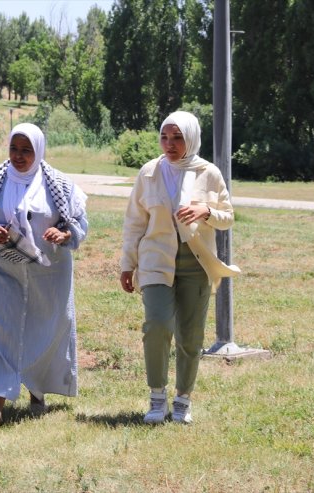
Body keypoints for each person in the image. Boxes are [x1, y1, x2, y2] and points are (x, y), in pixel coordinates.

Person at [0, 123, 88, 423]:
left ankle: (37, 392)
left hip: (48, 272)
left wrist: (64, 234)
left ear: (39, 151)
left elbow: (79, 222)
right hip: (0, 269)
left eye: (26, 151)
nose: (18, 156)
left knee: (45, 328)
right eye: (14, 149)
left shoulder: (58, 184)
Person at [119, 110, 240, 425]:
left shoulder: (209, 173)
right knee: (157, 325)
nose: (169, 144)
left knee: (191, 336)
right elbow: (134, 223)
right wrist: (127, 264)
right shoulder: (148, 172)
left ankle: (183, 400)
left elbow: (228, 217)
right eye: (164, 137)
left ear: (192, 139)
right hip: (155, 261)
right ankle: (156, 398)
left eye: (177, 138)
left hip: (196, 264)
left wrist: (206, 210)